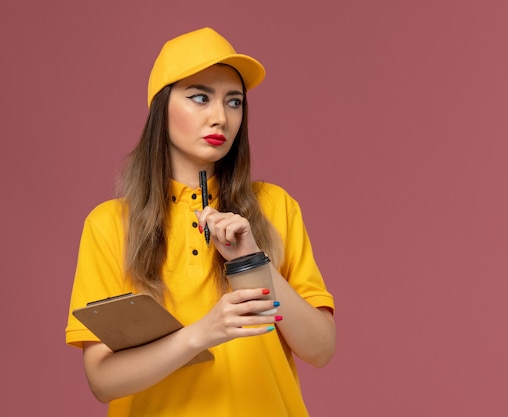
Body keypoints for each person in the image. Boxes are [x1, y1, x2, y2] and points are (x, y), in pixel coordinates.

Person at [65, 27, 336, 417]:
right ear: (162, 107)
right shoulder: (110, 225)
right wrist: (201, 334)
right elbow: (102, 380)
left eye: (234, 102)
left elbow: (321, 349)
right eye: (199, 97)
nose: (220, 117)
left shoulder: (275, 207)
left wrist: (253, 260)